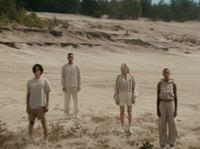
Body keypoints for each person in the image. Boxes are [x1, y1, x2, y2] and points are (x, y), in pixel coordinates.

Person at [26, 64, 51, 147]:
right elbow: (28, 95)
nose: (37, 71)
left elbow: (47, 93)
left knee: (44, 123)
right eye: (36, 70)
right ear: (34, 71)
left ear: (41, 71)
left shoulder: (45, 81)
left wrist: (47, 105)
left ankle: (46, 141)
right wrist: (27, 106)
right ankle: (30, 139)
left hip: (41, 105)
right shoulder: (30, 82)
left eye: (39, 70)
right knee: (31, 123)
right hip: (32, 106)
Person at [113, 63, 138, 134]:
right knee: (122, 111)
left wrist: (134, 97)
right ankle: (122, 127)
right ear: (121, 69)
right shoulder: (119, 77)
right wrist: (116, 98)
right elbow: (116, 88)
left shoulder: (132, 77)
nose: (124, 70)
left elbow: (135, 87)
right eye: (123, 68)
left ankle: (130, 127)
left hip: (129, 94)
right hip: (121, 94)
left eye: (126, 68)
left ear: (127, 69)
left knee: (129, 111)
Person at [157, 68, 178, 149]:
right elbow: (157, 97)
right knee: (162, 123)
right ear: (162, 74)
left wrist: (176, 109)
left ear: (169, 74)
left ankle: (172, 143)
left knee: (172, 123)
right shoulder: (160, 84)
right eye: (165, 73)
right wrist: (157, 110)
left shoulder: (173, 84)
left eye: (167, 73)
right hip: (162, 104)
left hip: (171, 104)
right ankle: (163, 143)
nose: (166, 74)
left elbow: (176, 97)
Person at [61, 53, 82, 119]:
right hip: (67, 86)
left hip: (75, 86)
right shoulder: (64, 67)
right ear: (67, 58)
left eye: (71, 57)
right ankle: (66, 113)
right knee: (67, 100)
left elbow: (79, 76)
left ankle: (76, 113)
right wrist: (63, 86)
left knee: (76, 100)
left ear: (73, 58)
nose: (70, 58)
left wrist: (79, 85)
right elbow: (62, 77)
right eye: (69, 57)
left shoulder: (76, 66)